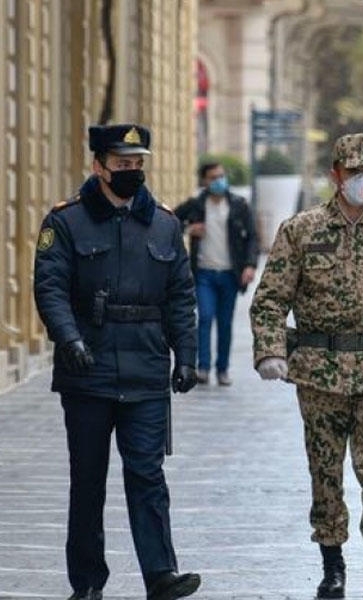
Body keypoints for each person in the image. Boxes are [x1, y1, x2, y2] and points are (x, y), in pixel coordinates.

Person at [250, 133, 363, 599]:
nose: (362, 180)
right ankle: (332, 566)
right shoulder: (301, 230)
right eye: (353, 172)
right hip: (319, 370)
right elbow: (271, 299)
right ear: (335, 175)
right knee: (325, 469)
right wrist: (270, 350)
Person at [33, 124, 201, 600]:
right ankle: (87, 582)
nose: (132, 172)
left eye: (137, 163)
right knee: (87, 482)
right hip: (87, 373)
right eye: (122, 164)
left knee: (148, 475)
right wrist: (69, 341)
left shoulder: (165, 224)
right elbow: (49, 288)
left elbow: (180, 297)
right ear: (98, 166)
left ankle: (160, 574)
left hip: (147, 370)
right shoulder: (65, 222)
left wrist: (186, 357)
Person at [174, 162, 258, 386]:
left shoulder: (239, 205)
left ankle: (222, 370)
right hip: (204, 274)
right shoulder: (196, 205)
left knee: (225, 323)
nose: (219, 181)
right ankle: (203, 368)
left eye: (221, 176)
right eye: (213, 177)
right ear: (204, 181)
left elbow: (252, 238)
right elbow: (171, 221)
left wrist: (250, 265)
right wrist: (189, 229)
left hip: (230, 274)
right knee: (205, 318)